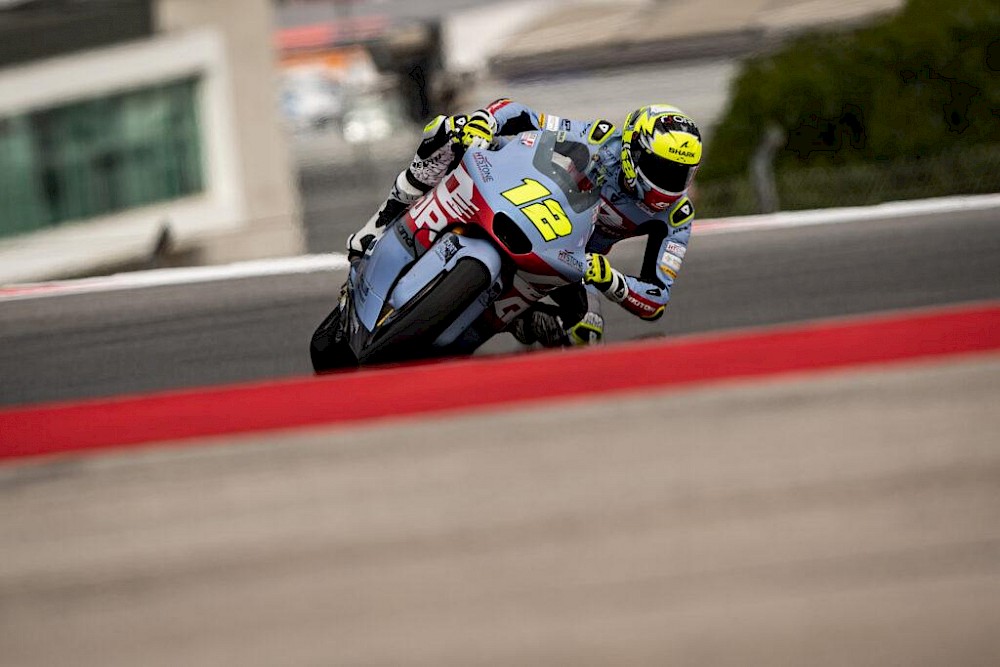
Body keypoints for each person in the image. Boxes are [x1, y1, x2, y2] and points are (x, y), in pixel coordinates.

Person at [345, 99, 702, 347]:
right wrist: (487, 120)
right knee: (449, 131)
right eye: (663, 169)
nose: (672, 183)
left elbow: (656, 298)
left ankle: (519, 327)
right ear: (633, 151)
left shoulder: (675, 216)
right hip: (523, 204)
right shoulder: (599, 138)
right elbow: (526, 116)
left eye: (682, 174)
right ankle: (381, 222)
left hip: (567, 261)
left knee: (586, 332)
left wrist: (611, 279)